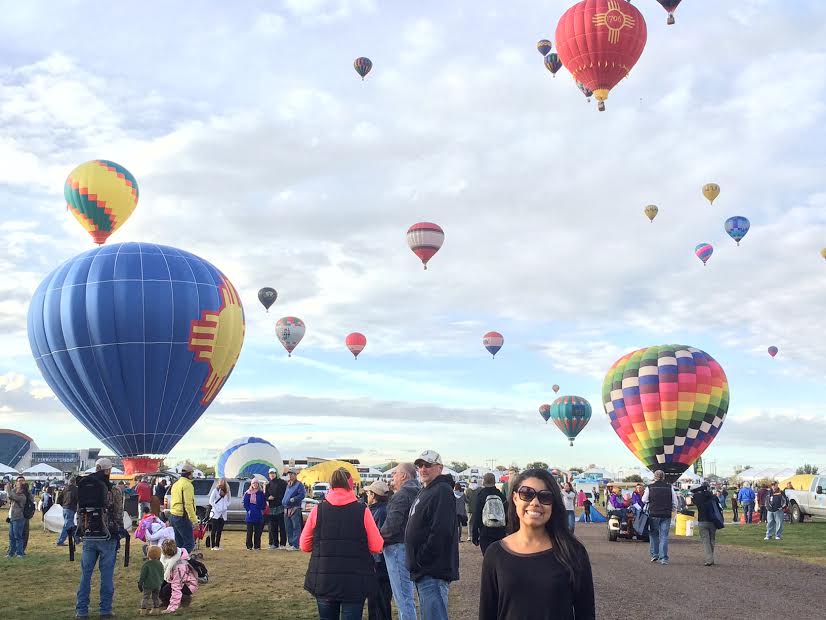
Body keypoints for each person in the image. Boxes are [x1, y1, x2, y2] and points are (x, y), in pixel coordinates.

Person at [478, 468, 595, 620]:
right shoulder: (495, 554)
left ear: (553, 503)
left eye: (545, 497)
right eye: (526, 494)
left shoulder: (573, 551)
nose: (535, 503)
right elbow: (487, 614)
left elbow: (585, 613)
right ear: (514, 498)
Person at [301, 467, 383, 620]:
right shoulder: (362, 510)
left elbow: (304, 545)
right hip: (355, 581)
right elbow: (377, 546)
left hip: (324, 578)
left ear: (331, 485)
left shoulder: (318, 510)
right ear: (351, 486)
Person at [405, 450, 459, 620]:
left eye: (428, 465)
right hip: (424, 571)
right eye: (420, 465)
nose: (423, 469)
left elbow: (441, 531)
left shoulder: (442, 490)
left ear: (439, 468)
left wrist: (422, 559)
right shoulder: (427, 489)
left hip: (432, 571)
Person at [75, 457, 124, 619]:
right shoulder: (113, 490)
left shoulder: (84, 486)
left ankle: (82, 610)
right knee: (107, 575)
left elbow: (79, 512)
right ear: (108, 470)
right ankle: (105, 610)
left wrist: (82, 530)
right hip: (107, 535)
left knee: (85, 575)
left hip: (89, 535)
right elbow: (118, 513)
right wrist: (119, 531)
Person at [380, 462, 420, 620]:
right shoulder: (420, 492)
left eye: (395, 473)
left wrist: (378, 540)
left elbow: (392, 525)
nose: (393, 476)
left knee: (403, 598)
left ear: (404, 476)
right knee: (409, 596)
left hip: (397, 548)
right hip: (412, 547)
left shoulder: (402, 495)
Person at [366, 480, 392, 620]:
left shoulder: (380, 512)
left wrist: (375, 563)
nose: (367, 496)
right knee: (378, 602)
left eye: (369, 493)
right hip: (379, 565)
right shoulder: (379, 510)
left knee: (379, 602)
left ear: (374, 495)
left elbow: (380, 539)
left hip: (379, 566)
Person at [642, 470, 678, 565]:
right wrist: (673, 509)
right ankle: (664, 558)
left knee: (654, 535)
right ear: (663, 477)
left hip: (653, 513)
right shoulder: (669, 487)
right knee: (664, 536)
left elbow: (644, 499)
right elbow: (675, 501)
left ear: (655, 477)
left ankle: (655, 554)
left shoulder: (650, 487)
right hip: (666, 514)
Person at [472, 472, 507, 554]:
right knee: (499, 557)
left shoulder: (481, 495)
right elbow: (506, 512)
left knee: (487, 557)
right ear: (494, 482)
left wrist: (475, 534)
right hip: (500, 532)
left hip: (485, 532)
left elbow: (477, 515)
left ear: (484, 482)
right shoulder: (500, 495)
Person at [160, 539, 199, 613]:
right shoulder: (173, 558)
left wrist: (171, 608)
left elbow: (176, 587)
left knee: (166, 590)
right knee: (160, 584)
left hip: (188, 585)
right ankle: (166, 603)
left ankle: (183, 600)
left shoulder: (178, 566)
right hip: (180, 580)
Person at [169, 464, 197, 554]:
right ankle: (182, 560)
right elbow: (188, 504)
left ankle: (177, 562)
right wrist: (194, 520)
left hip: (173, 515)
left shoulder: (176, 484)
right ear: (189, 474)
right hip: (182, 516)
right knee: (189, 543)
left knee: (179, 543)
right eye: (192, 473)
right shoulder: (187, 485)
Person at [692, 483, 722, 566]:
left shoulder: (698, 497)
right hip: (713, 521)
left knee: (706, 541)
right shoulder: (714, 497)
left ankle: (709, 559)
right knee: (712, 540)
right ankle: (711, 558)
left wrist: (698, 490)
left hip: (702, 520)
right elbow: (720, 508)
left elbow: (692, 495)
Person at [5, 475, 29, 558]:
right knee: (11, 536)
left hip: (19, 517)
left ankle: (19, 553)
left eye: (20, 482)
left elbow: (13, 496)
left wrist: (8, 489)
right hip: (12, 517)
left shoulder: (23, 495)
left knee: (18, 536)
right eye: (18, 481)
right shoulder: (15, 491)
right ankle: (11, 553)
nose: (18, 483)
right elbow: (10, 497)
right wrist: (9, 489)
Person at [283, 468, 306, 551]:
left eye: (291, 474)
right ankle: (291, 543)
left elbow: (302, 495)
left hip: (295, 508)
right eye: (289, 474)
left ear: (295, 475)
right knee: (288, 527)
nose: (289, 475)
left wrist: (294, 499)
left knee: (296, 526)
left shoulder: (299, 484)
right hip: (286, 508)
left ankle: (296, 545)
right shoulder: (288, 484)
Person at [138, 544, 164, 615]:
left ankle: (143, 610)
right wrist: (160, 582)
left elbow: (142, 576)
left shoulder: (146, 564)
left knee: (146, 597)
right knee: (155, 597)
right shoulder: (160, 564)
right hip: (157, 584)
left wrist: (140, 583)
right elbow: (162, 574)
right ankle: (156, 609)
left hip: (148, 584)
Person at [265, 467, 287, 550]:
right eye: (270, 473)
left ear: (276, 473)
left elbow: (285, 494)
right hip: (272, 508)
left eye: (273, 473)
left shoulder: (282, 482)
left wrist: (275, 497)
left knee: (282, 527)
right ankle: (275, 543)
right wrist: (268, 498)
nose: (272, 475)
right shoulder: (268, 485)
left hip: (280, 507)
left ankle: (283, 544)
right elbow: (266, 495)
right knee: (273, 527)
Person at [208, 478, 231, 551]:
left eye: (223, 482)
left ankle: (217, 545)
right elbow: (211, 501)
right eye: (220, 482)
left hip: (223, 513)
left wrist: (225, 506)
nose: (221, 483)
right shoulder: (215, 490)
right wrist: (217, 507)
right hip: (216, 513)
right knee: (214, 529)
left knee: (220, 530)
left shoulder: (227, 491)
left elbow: (229, 500)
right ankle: (213, 545)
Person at [244, 478, 266, 550]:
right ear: (251, 484)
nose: (255, 484)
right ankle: (249, 546)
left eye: (256, 483)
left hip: (258, 514)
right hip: (250, 514)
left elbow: (263, 503)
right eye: (253, 483)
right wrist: (249, 510)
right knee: (249, 532)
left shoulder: (260, 493)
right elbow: (245, 503)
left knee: (258, 532)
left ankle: (257, 546)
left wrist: (262, 509)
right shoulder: (248, 493)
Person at [57, 476, 78, 547]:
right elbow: (78, 500)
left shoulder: (65, 489)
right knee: (68, 526)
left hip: (65, 508)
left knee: (68, 525)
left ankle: (77, 539)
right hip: (71, 508)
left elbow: (59, 498)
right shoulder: (76, 490)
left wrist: (63, 505)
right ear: (75, 482)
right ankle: (60, 541)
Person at [464, 478, 481, 543]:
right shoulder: (479, 489)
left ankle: (469, 536)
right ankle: (478, 535)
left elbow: (465, 500)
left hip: (470, 509)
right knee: (478, 523)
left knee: (470, 523)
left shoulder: (467, 490)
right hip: (478, 509)